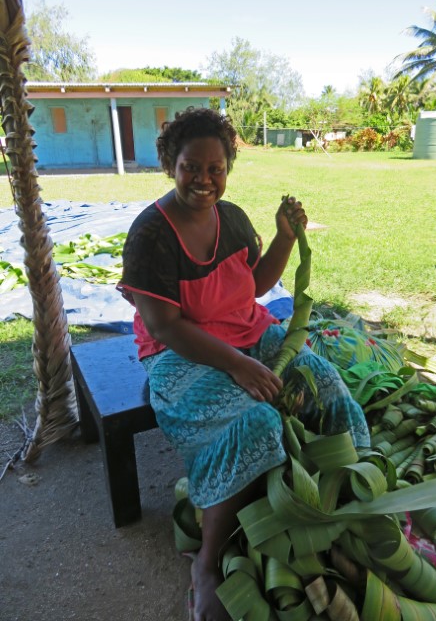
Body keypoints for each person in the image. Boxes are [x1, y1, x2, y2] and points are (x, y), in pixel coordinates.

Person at [117, 107, 370, 621]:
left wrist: (282, 236)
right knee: (254, 423)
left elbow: (251, 288)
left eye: (216, 168)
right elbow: (164, 326)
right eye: (192, 167)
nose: (204, 180)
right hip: (179, 356)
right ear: (171, 164)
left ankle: (358, 493)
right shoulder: (151, 235)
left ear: (228, 167)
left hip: (247, 334)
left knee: (321, 379)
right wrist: (237, 365)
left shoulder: (231, 218)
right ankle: (206, 564)